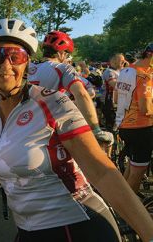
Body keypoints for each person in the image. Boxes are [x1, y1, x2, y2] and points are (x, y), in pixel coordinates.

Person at [0, 18, 153, 242]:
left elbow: (102, 172)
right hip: (28, 232)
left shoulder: (52, 102)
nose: (6, 65)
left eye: (15, 56)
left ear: (27, 62)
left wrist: (149, 234)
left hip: (77, 227)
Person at [28, 31, 114, 146]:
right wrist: (96, 130)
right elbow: (82, 95)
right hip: (49, 133)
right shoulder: (63, 68)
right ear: (61, 53)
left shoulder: (27, 67)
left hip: (23, 128)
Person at [114, 43, 153, 193]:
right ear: (149, 55)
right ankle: (128, 212)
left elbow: (116, 98)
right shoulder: (145, 75)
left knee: (131, 167)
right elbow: (146, 109)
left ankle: (119, 202)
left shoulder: (126, 70)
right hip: (141, 128)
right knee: (137, 173)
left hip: (125, 126)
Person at [102, 53, 125, 131]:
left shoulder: (120, 71)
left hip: (118, 100)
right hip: (109, 101)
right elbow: (115, 85)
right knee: (112, 125)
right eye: (121, 60)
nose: (124, 62)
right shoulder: (109, 72)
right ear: (113, 61)